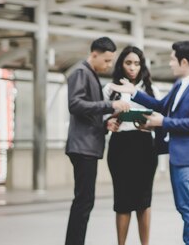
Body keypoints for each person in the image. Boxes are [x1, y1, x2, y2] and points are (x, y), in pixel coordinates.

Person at [111, 41, 189, 245]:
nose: (170, 64)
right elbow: (161, 106)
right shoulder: (180, 84)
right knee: (184, 207)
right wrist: (134, 92)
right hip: (177, 155)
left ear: (183, 61)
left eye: (172, 59)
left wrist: (162, 122)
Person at [65, 37, 130, 245]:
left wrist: (104, 126)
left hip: (88, 145)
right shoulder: (81, 73)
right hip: (83, 147)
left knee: (85, 201)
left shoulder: (90, 74)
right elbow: (75, 105)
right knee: (83, 201)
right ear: (94, 54)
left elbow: (87, 114)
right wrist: (110, 105)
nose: (109, 65)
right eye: (107, 60)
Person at [103, 46, 160, 245]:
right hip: (120, 146)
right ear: (121, 65)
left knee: (144, 201)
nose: (133, 68)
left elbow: (161, 116)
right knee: (123, 200)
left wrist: (150, 122)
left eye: (137, 63)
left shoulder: (151, 90)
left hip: (144, 145)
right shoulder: (110, 89)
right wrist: (110, 120)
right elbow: (101, 117)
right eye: (128, 63)